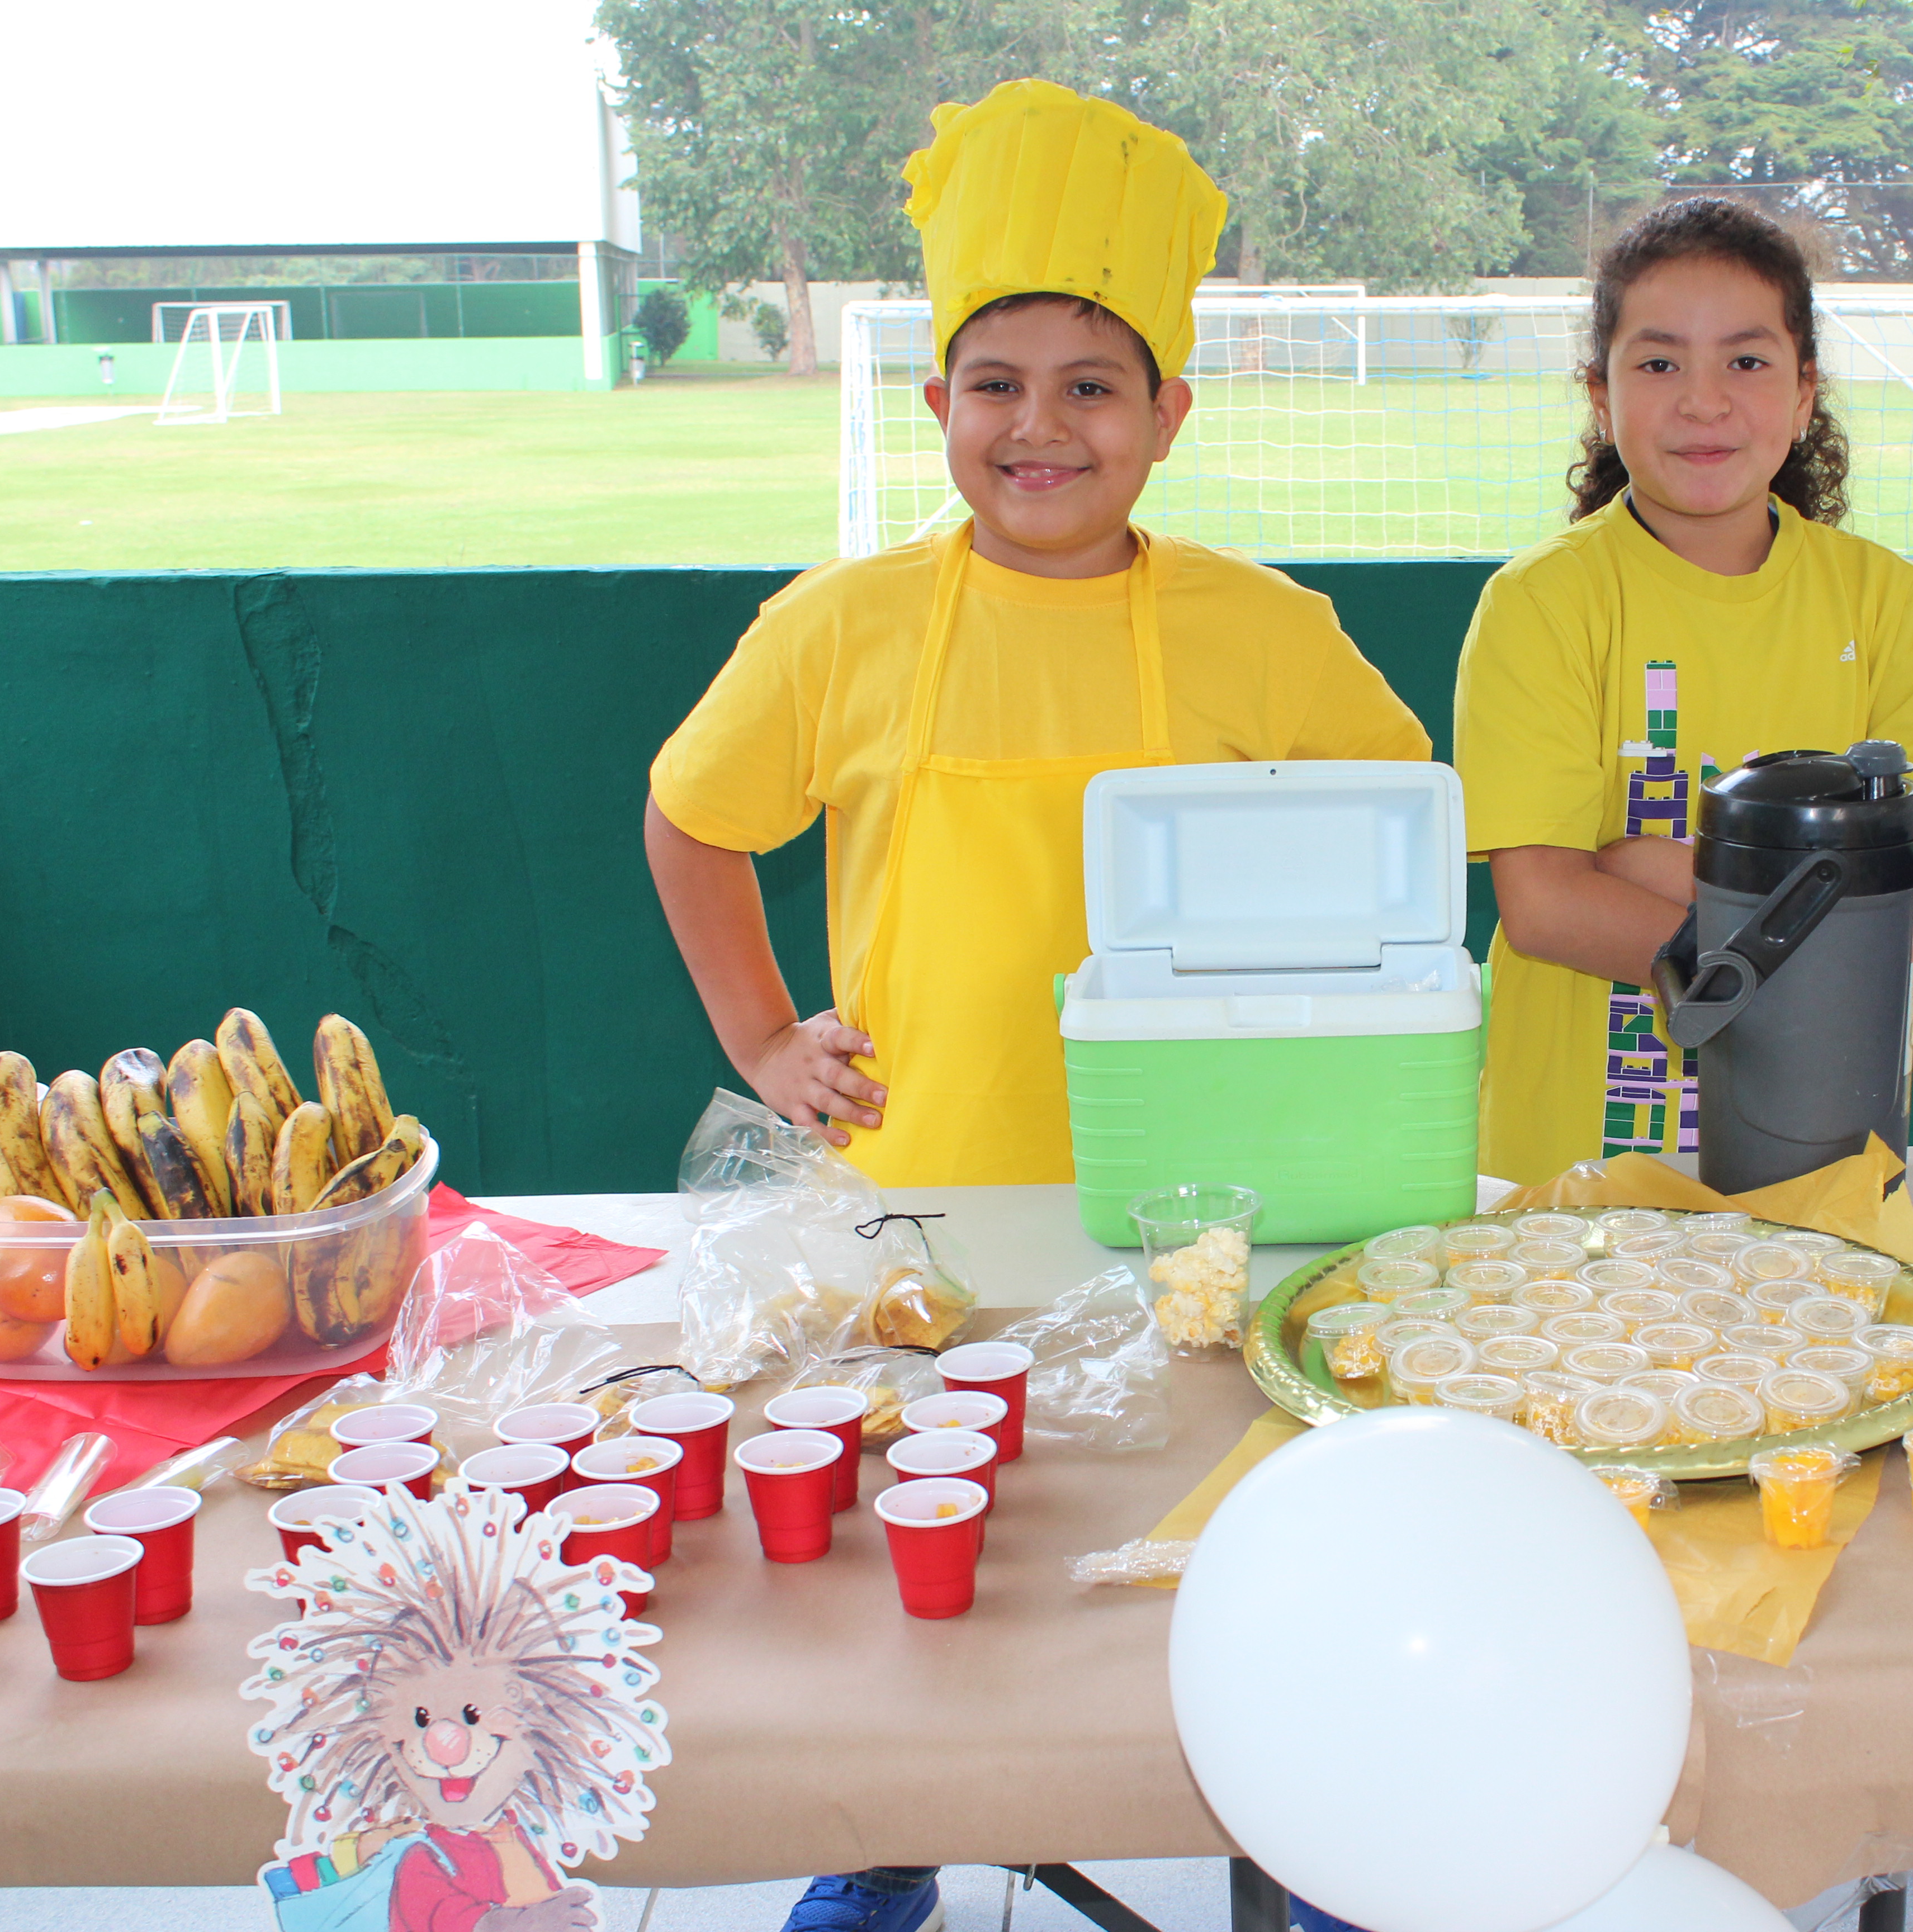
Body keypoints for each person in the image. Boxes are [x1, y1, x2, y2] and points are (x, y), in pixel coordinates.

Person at [641, 78, 1428, 1932]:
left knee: (1246, 1542)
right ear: (937, 405)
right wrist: (761, 1038)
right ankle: (882, 1836)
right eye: (996, 383)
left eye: (1093, 385)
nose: (1041, 426)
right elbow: (692, 815)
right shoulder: (836, 627)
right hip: (925, 1201)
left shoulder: (1266, 630)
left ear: (1169, 414)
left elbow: (1400, 839)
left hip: (1221, 1207)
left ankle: (1307, 1830)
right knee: (928, 1546)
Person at [1452, 197, 1913, 1185]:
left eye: (1746, 361)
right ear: (1601, 396)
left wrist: (1636, 864)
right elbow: (1546, 909)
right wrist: (1808, 921)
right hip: (1573, 1169)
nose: (1703, 402)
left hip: (1813, 1158)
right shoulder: (1541, 603)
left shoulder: (1884, 599)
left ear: (1805, 392)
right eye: (1659, 364)